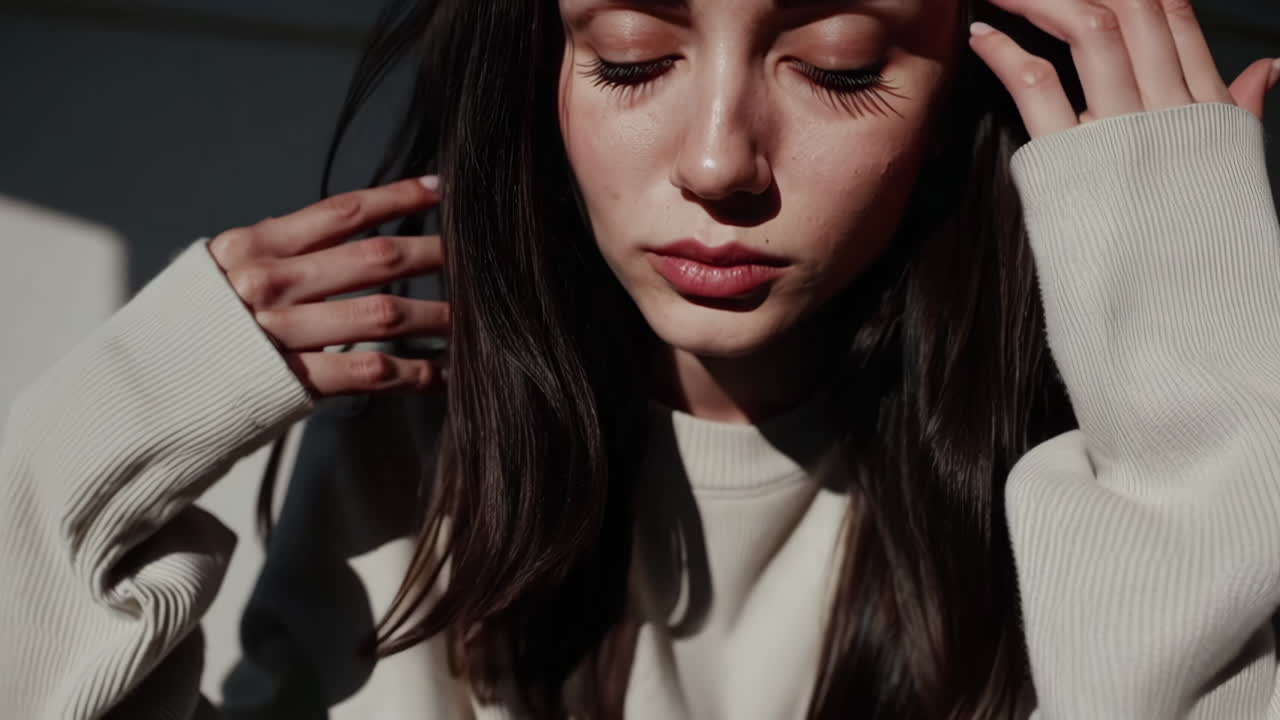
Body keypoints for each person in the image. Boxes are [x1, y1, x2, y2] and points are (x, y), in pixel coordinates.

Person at [3, 0, 1279, 717]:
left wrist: (1201, 412)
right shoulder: (407, 447)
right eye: (630, 59)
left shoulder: (1083, 496)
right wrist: (105, 427)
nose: (718, 160)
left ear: (961, 94)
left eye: (835, 71)